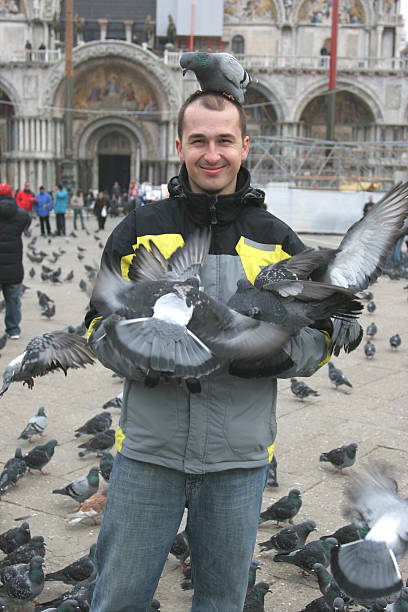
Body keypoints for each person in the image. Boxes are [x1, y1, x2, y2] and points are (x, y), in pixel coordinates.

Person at [85, 91, 331, 612]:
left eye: (224, 141)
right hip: (149, 455)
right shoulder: (137, 231)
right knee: (118, 598)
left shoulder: (279, 239)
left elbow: (324, 335)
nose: (211, 154)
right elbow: (94, 328)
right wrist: (146, 352)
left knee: (221, 603)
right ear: (180, 146)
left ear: (245, 146)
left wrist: (277, 356)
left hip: (237, 462)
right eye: (198, 141)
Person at [0, 183, 30, 339]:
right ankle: (13, 330)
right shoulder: (22, 214)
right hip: (14, 265)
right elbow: (26, 225)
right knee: (12, 300)